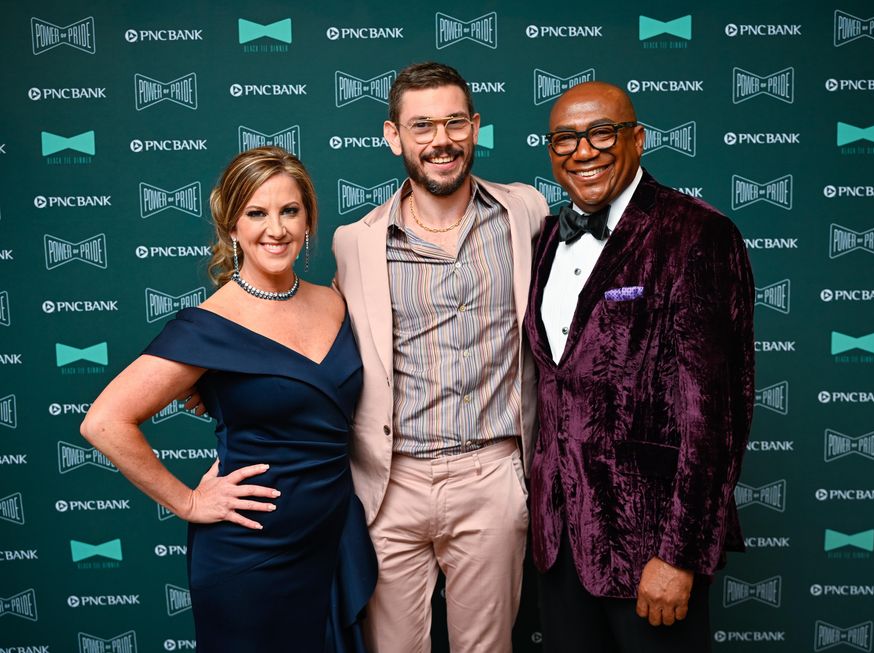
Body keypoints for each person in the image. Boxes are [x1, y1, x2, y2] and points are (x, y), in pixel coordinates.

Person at [80, 147, 376, 653]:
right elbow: (104, 422)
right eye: (256, 213)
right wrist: (189, 502)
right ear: (231, 227)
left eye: (289, 211)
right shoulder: (208, 326)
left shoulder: (334, 302)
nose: (276, 229)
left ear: (308, 220)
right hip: (250, 554)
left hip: (333, 537)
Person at [525, 82, 755, 652]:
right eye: (565, 139)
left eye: (601, 133)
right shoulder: (546, 240)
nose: (583, 151)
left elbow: (715, 418)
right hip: (559, 546)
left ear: (638, 138)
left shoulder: (696, 233)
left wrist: (679, 554)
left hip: (648, 545)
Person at [331, 62, 549, 653]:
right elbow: (319, 335)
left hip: (491, 476)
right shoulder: (357, 242)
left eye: (454, 122)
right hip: (390, 484)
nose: (441, 140)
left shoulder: (524, 213)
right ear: (393, 136)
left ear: (475, 127)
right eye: (421, 125)